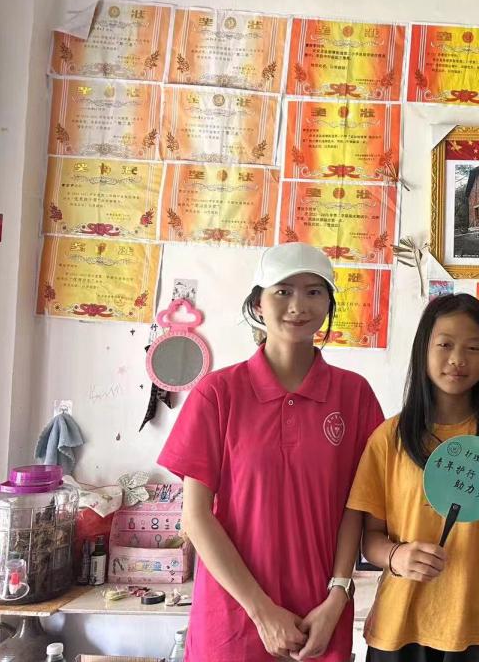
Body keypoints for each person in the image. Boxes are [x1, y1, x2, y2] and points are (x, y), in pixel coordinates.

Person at [158, 242, 384, 661]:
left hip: (320, 619)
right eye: (283, 291)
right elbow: (196, 516)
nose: (298, 305)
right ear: (258, 304)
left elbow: (357, 507)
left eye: (314, 291)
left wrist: (338, 595)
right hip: (234, 621)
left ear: (329, 304)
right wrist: (261, 612)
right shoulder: (218, 394)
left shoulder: (354, 395)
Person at [347, 294, 479, 662]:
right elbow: (369, 540)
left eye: (473, 348)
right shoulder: (389, 438)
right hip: (398, 629)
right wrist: (397, 556)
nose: (457, 359)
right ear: (424, 350)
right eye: (445, 344)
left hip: (478, 630)